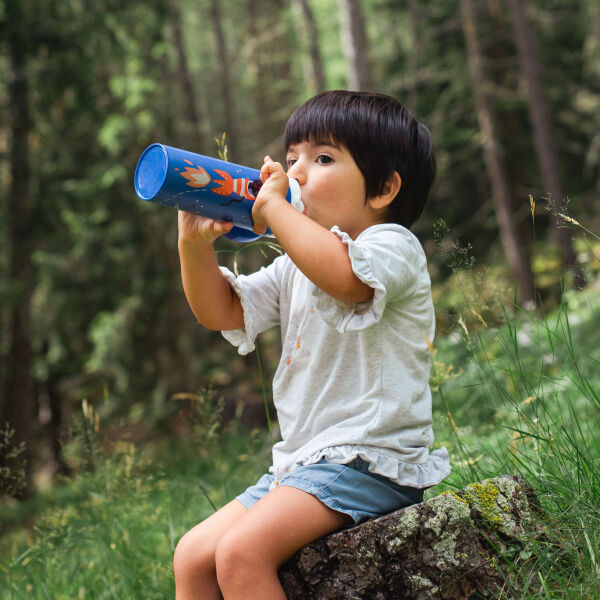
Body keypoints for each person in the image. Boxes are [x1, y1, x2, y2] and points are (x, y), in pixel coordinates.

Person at [173, 90, 450, 599]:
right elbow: (223, 312)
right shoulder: (294, 266)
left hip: (370, 460)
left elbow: (348, 281)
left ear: (383, 188)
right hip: (302, 465)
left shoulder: (392, 245)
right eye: (292, 156)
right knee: (193, 556)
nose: (296, 171)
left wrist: (275, 209)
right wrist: (193, 247)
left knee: (240, 552)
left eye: (322, 158)